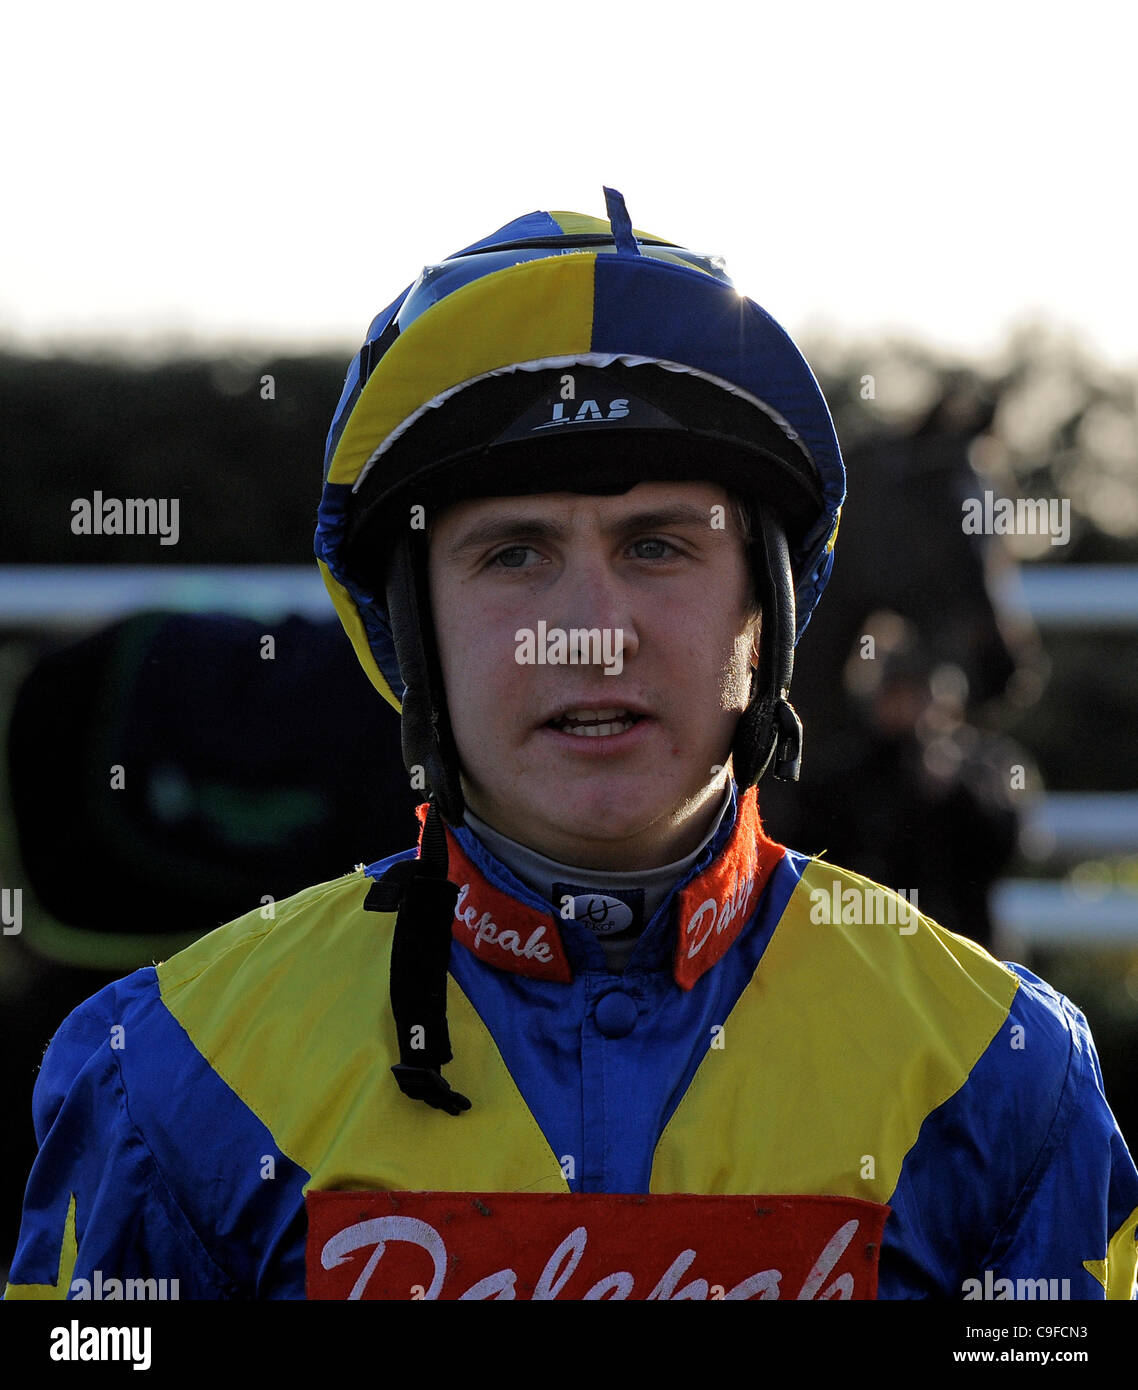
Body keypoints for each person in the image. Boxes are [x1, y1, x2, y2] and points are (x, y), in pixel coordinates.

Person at [5, 190, 1137, 1302]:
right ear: (413, 631)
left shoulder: (1006, 1077)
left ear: (768, 612)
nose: (593, 630)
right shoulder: (160, 1078)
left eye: (656, 546)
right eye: (512, 554)